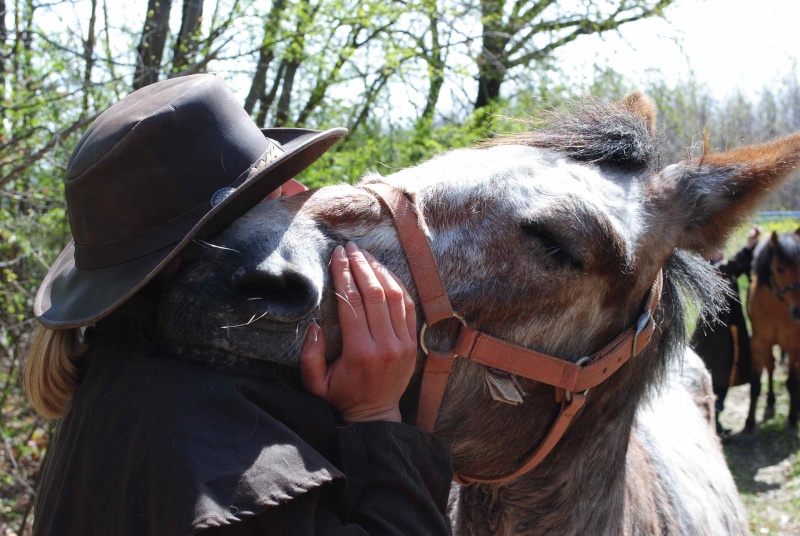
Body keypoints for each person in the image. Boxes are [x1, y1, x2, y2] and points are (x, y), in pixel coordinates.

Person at [24, 74, 453, 535]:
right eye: (271, 193)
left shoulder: (116, 369)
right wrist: (377, 420)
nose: (298, 194)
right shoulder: (221, 457)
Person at [691, 226, 760, 437]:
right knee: (716, 381)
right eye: (717, 249)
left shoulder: (719, 268)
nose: (721, 251)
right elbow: (728, 268)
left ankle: (715, 424)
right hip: (712, 340)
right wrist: (748, 248)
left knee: (723, 379)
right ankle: (711, 427)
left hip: (724, 337)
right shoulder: (709, 270)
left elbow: (735, 269)